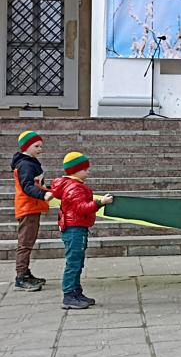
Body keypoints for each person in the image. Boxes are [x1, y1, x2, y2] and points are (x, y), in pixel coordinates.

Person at [51, 152, 113, 309]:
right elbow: (81, 208)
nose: (88, 172)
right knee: (74, 263)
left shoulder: (73, 185)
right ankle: (69, 295)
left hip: (76, 228)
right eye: (85, 169)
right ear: (75, 171)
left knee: (77, 262)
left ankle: (76, 292)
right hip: (74, 229)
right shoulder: (74, 187)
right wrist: (100, 202)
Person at [11, 131, 53, 291]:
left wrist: (48, 189)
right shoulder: (25, 164)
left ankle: (25, 273)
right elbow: (27, 186)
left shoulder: (30, 162)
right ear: (26, 147)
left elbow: (36, 184)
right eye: (36, 146)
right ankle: (21, 277)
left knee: (28, 241)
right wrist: (43, 194)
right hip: (27, 208)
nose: (40, 149)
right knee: (25, 243)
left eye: (41, 146)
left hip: (31, 207)